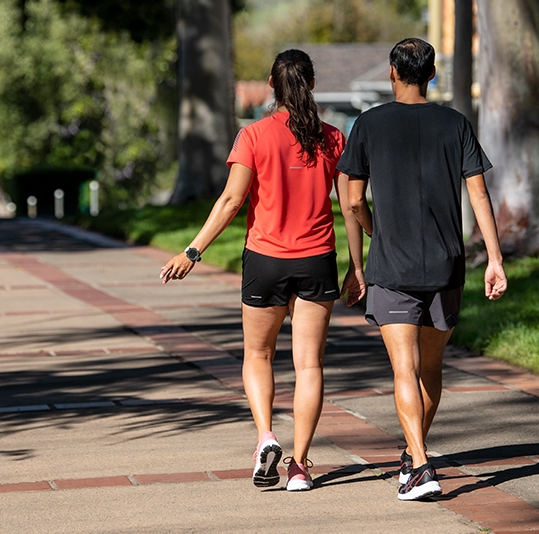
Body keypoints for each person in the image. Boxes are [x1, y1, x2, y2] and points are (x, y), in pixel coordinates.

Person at [160, 49, 364, 492]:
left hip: (265, 261)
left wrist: (192, 252)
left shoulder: (253, 135)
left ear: (272, 85)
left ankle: (266, 438)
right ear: (310, 82)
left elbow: (232, 202)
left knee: (258, 355)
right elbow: (351, 206)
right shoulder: (333, 139)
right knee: (309, 364)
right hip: (317, 260)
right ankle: (301, 467)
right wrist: (357, 268)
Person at [337, 37, 508, 501]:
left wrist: (373, 230)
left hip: (392, 266)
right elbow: (478, 195)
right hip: (446, 263)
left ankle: (420, 465)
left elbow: (351, 199)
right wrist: (494, 258)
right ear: (431, 74)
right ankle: (414, 456)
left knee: (403, 370)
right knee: (430, 368)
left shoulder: (368, 124)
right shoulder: (455, 124)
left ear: (392, 72)